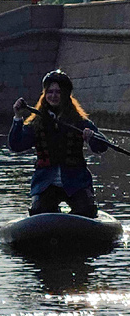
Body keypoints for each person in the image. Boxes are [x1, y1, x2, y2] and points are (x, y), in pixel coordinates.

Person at [9, 69, 108, 216]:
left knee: (86, 210)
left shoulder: (79, 122)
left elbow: (102, 146)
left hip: (76, 182)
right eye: (50, 92)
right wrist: (17, 118)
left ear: (66, 95)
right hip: (45, 183)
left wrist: (91, 138)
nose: (54, 96)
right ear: (44, 94)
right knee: (39, 211)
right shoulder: (37, 122)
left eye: (58, 92)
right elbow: (16, 145)